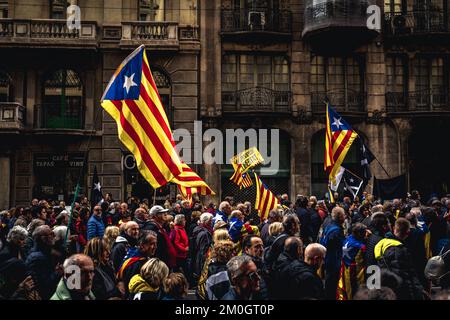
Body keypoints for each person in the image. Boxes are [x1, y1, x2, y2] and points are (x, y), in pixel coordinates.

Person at [375, 218, 425, 300]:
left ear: (394, 229)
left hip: (383, 286)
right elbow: (403, 276)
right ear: (407, 233)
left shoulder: (382, 242)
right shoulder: (399, 250)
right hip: (397, 291)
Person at [25, 225, 63, 300]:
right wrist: (57, 272)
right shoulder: (37, 258)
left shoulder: (44, 252)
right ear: (43, 238)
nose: (54, 235)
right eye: (51, 234)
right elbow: (44, 284)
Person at [117, 230, 157, 295]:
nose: (155, 247)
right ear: (142, 245)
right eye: (151, 244)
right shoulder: (135, 263)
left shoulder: (138, 255)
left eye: (156, 244)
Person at [336, 223, 368, 300]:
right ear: (360, 234)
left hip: (345, 266)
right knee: (353, 290)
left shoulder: (348, 238)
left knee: (346, 287)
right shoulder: (360, 246)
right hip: (353, 271)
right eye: (364, 232)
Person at [320, 206, 345, 300]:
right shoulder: (336, 231)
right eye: (343, 215)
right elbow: (340, 247)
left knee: (329, 281)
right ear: (339, 217)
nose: (345, 217)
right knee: (332, 284)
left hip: (327, 259)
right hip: (333, 260)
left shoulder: (330, 225)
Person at [190, 212, 214, 284]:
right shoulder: (204, 233)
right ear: (206, 222)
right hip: (202, 260)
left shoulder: (198, 229)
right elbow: (203, 251)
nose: (212, 222)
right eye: (210, 221)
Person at [242, 235, 267, 299]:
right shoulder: (243, 267)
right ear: (247, 249)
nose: (261, 249)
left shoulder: (261, 262)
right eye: (257, 247)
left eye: (262, 246)